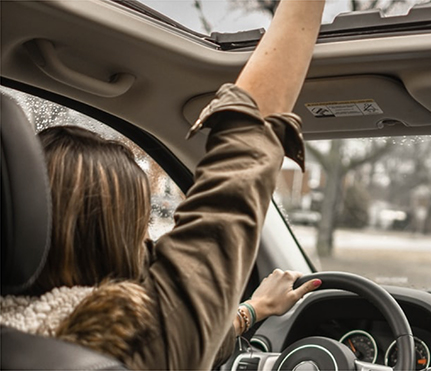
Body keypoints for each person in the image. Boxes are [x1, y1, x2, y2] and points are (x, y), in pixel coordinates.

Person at [0, 0, 326, 369]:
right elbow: (249, 141)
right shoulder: (129, 343)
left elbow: (190, 324)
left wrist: (252, 311)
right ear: (117, 242)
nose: (149, 242)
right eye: (139, 229)